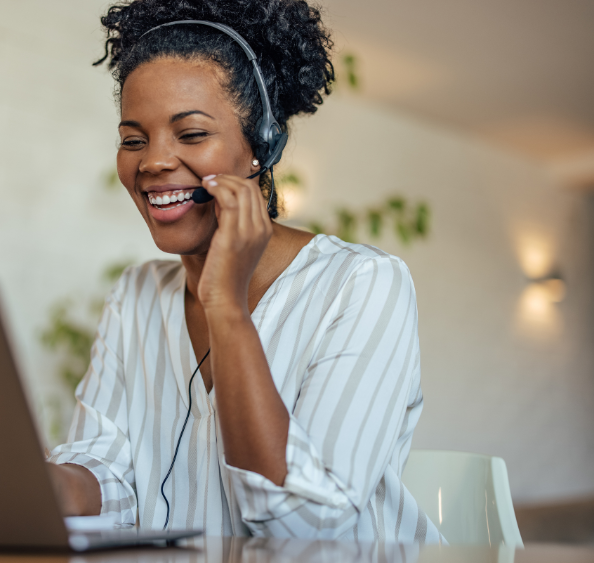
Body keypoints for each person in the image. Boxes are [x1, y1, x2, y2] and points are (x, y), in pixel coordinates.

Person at [47, 0, 441, 543]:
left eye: (190, 134)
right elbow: (108, 474)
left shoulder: (361, 285)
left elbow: (307, 521)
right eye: (133, 139)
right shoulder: (135, 293)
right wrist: (25, 482)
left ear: (262, 145)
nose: (153, 161)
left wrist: (226, 306)